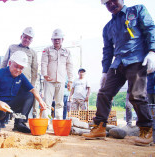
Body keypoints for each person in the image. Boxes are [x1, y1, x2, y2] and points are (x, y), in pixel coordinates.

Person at [83, 0, 155, 146]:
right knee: (103, 93)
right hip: (118, 64)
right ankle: (100, 127)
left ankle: (146, 130)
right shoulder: (108, 27)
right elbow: (108, 50)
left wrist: (152, 51)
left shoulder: (137, 11)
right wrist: (104, 71)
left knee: (136, 95)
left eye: (113, 1)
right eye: (107, 3)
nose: (111, 5)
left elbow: (150, 29)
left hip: (137, 59)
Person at [0, 51, 46, 133]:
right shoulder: (0, 73)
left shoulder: (21, 76)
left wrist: (40, 100)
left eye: (21, 68)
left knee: (29, 95)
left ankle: (19, 124)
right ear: (9, 63)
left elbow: (33, 89)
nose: (18, 70)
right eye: (16, 66)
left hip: (10, 105)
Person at [0, 27, 38, 123]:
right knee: (7, 98)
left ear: (31, 40)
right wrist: (1, 77)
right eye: (25, 37)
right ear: (21, 36)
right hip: (10, 79)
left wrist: (32, 84)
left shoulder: (33, 52)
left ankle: (19, 123)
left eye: (29, 38)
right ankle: (2, 119)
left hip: (24, 82)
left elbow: (34, 69)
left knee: (24, 100)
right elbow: (4, 62)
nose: (27, 40)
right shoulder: (12, 47)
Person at [41, 28, 73, 120]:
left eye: (59, 39)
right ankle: (45, 124)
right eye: (55, 39)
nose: (57, 40)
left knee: (60, 103)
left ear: (62, 39)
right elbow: (44, 63)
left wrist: (70, 80)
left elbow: (69, 65)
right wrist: (45, 74)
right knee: (47, 103)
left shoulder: (67, 52)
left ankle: (58, 123)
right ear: (52, 40)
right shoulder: (47, 50)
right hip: (49, 80)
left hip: (61, 81)